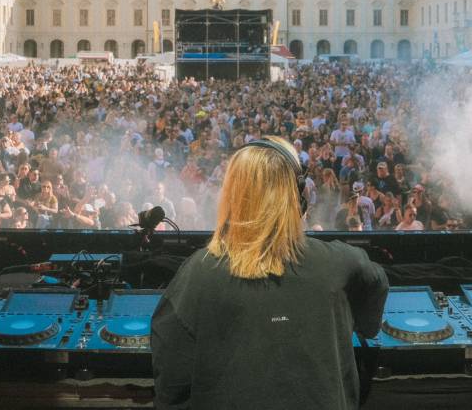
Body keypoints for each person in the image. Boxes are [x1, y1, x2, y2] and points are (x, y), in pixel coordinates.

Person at [151, 136, 388, 409]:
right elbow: (375, 291)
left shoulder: (196, 274)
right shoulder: (342, 263)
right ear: (299, 198)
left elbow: (171, 388)